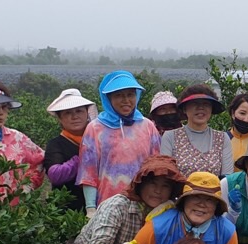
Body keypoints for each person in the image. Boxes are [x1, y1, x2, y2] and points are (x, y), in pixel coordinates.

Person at [78, 70, 161, 214]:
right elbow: (88, 172)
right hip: (106, 206)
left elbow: (156, 167)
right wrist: (90, 208)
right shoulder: (95, 128)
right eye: (119, 95)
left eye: (130, 94)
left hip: (142, 204)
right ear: (108, 98)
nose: (126, 100)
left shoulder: (147, 126)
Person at [159, 84, 234, 178]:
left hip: (215, 192)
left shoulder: (222, 138)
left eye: (206, 104)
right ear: (185, 109)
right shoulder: (170, 137)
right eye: (195, 103)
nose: (201, 108)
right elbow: (166, 174)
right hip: (180, 192)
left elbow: (226, 178)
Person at [43, 89, 96, 212]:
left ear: (87, 114)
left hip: (99, 208)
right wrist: (84, 157)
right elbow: (55, 175)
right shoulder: (56, 144)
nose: (75, 116)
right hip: (67, 213)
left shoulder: (97, 140)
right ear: (60, 118)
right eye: (68, 113)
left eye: (79, 111)